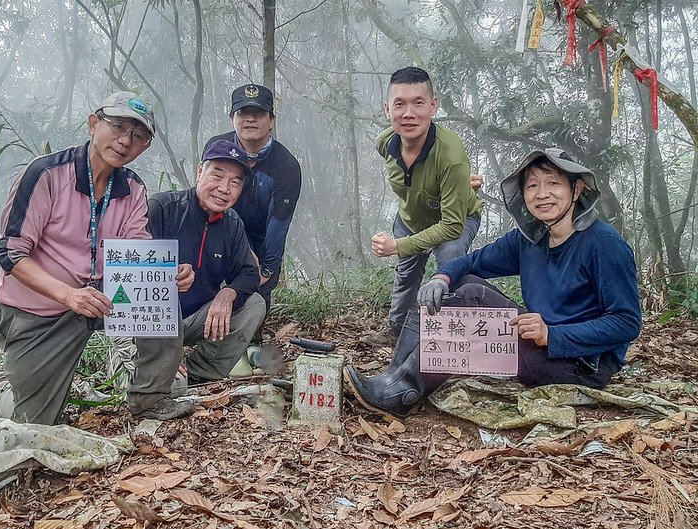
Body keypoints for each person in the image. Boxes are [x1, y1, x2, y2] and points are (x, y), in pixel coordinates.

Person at [346, 147, 642, 420]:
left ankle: (402, 391)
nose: (542, 194)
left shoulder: (604, 245)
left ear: (576, 190)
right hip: (541, 347)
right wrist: (440, 277)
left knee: (473, 295)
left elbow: (626, 323)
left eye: (553, 184)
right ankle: (394, 379)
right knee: (465, 282)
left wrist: (553, 334)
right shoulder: (530, 239)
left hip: (580, 365)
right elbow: (471, 263)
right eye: (532, 185)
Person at [0, 92, 194, 424]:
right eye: (117, 126)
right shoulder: (47, 174)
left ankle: (149, 398)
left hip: (101, 298)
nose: (126, 140)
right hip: (39, 310)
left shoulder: (132, 187)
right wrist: (69, 294)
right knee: (34, 424)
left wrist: (167, 272)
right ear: (93, 123)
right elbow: (11, 254)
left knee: (160, 296)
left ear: (145, 147)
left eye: (139, 135)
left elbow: (136, 253)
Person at [364, 67, 484, 347]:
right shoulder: (385, 142)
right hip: (411, 217)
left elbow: (452, 225)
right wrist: (447, 183)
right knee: (406, 273)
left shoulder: (451, 155)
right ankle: (398, 329)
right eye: (399, 104)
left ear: (433, 106)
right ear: (387, 109)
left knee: (451, 259)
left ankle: (451, 334)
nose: (409, 114)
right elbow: (417, 177)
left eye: (418, 103)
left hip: (455, 218)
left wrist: (398, 245)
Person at [145, 140, 266, 383]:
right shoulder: (163, 208)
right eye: (217, 175)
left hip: (196, 319)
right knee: (163, 387)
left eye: (235, 182)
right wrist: (162, 345)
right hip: (150, 323)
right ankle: (164, 371)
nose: (224, 189)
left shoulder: (231, 224)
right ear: (200, 171)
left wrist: (227, 294)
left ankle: (200, 373)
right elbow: (130, 278)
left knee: (254, 304)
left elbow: (249, 273)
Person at [204, 84, 301, 313]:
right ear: (232, 119)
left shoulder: (286, 165)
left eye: (258, 114)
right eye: (243, 113)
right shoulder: (217, 147)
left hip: (261, 238)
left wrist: (266, 268)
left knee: (254, 301)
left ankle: (253, 342)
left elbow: (279, 222)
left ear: (271, 120)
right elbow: (205, 196)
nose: (250, 120)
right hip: (219, 230)